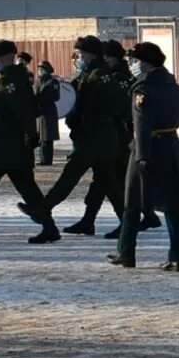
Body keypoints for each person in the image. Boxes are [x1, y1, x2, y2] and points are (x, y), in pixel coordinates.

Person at [0, 40, 57, 245]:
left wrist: (31, 136)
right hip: (15, 144)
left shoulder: (11, 82)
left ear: (2, 58)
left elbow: (23, 111)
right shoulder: (16, 78)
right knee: (27, 187)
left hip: (5, 143)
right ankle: (49, 227)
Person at [111, 43, 179, 270]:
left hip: (148, 147)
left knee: (132, 202)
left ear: (145, 62)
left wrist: (141, 155)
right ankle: (177, 256)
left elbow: (142, 124)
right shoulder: (174, 86)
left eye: (136, 61)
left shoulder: (143, 89)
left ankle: (126, 252)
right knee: (173, 205)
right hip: (171, 145)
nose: (134, 65)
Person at [42, 36, 130, 234]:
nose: (78, 58)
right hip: (93, 137)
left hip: (96, 137)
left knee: (70, 175)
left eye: (81, 54)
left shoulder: (100, 75)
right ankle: (125, 221)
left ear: (91, 54)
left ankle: (43, 208)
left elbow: (118, 106)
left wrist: (92, 114)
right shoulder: (89, 73)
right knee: (109, 184)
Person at [35, 57, 63, 167]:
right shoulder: (39, 81)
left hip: (48, 111)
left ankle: (47, 160)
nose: (40, 71)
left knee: (47, 137)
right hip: (40, 111)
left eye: (42, 68)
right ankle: (43, 158)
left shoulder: (53, 81)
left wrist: (44, 98)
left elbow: (56, 96)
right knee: (41, 137)